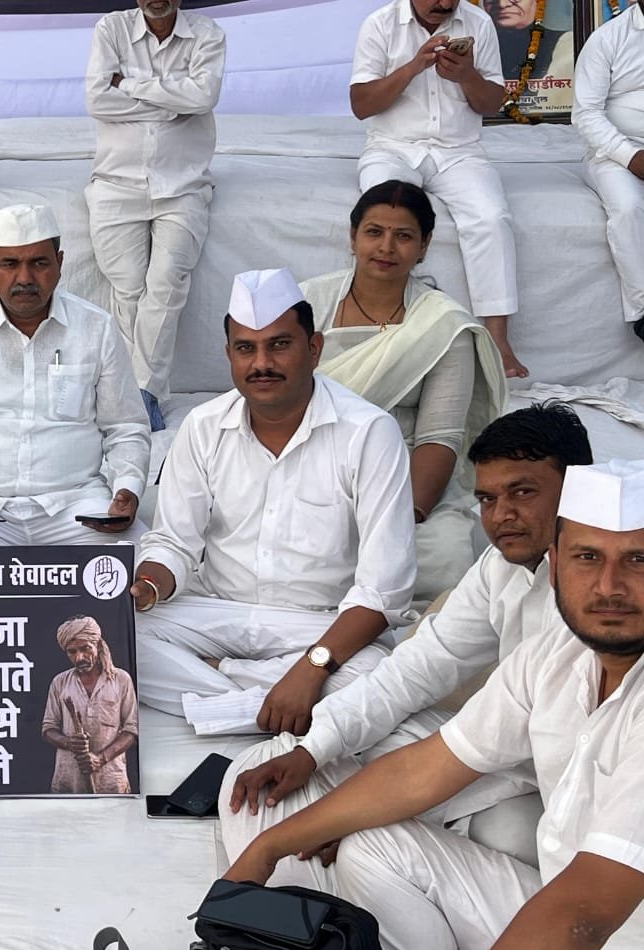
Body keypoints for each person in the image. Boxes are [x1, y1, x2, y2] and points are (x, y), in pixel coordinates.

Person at [225, 458, 644, 950]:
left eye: (639, 560)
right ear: (555, 567)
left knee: (501, 830)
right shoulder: (555, 656)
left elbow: (586, 916)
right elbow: (419, 772)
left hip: (606, 926)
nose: (610, 586)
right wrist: (267, 848)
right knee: (371, 843)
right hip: (560, 900)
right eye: (587, 557)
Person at [221, 402, 593, 884]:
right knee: (346, 738)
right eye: (487, 499)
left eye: (522, 492)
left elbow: (510, 737)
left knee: (505, 835)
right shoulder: (500, 567)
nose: (502, 515)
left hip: (571, 787)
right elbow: (420, 667)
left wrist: (359, 809)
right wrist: (314, 750)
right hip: (497, 751)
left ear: (578, 490)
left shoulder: (604, 600)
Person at [132, 268, 417, 734]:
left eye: (279, 345)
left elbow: (383, 591)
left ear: (314, 348)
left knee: (374, 671)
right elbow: (174, 544)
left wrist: (313, 666)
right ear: (229, 355)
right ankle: (275, 704)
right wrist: (148, 586)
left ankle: (227, 688)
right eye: (246, 349)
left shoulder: (369, 432)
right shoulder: (202, 427)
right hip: (218, 612)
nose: (261, 363)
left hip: (318, 623)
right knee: (116, 634)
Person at [302, 180, 507, 600]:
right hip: (306, 458)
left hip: (401, 475)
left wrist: (398, 517)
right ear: (353, 237)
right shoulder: (308, 302)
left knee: (444, 559)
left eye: (404, 236)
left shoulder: (444, 324)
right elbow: (271, 396)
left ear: (424, 245)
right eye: (374, 232)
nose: (386, 247)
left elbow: (439, 437)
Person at [0, 203, 150, 548]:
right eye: (9, 264)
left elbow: (125, 427)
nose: (24, 278)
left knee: (142, 561)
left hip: (75, 506)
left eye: (39, 263)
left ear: (59, 263)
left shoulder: (97, 328)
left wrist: (127, 488)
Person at [351, 0, 528, 378]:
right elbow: (361, 105)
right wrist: (413, 67)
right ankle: (384, 327)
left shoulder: (478, 22)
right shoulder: (380, 24)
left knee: (491, 217)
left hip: (459, 151)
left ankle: (498, 340)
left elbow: (491, 103)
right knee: (386, 216)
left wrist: (467, 76)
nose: (445, 4)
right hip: (393, 147)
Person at [84, 0, 225, 431]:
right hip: (116, 182)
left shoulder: (207, 34)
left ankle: (142, 393)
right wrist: (172, 101)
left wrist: (129, 84)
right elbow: (97, 100)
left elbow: (204, 97)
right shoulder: (111, 29)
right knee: (128, 288)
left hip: (183, 184)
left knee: (166, 282)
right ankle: (136, 392)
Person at [573, 4, 644, 344]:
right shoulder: (608, 38)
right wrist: (631, 157)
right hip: (615, 151)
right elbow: (586, 113)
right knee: (629, 207)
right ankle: (643, 310)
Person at [40, 615, 138, 794]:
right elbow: (48, 728)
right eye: (72, 652)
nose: (79, 658)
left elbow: (131, 730)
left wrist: (100, 759)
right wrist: (68, 742)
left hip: (111, 780)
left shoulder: (121, 680)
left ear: (98, 645)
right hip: (68, 780)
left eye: (85, 648)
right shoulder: (60, 682)